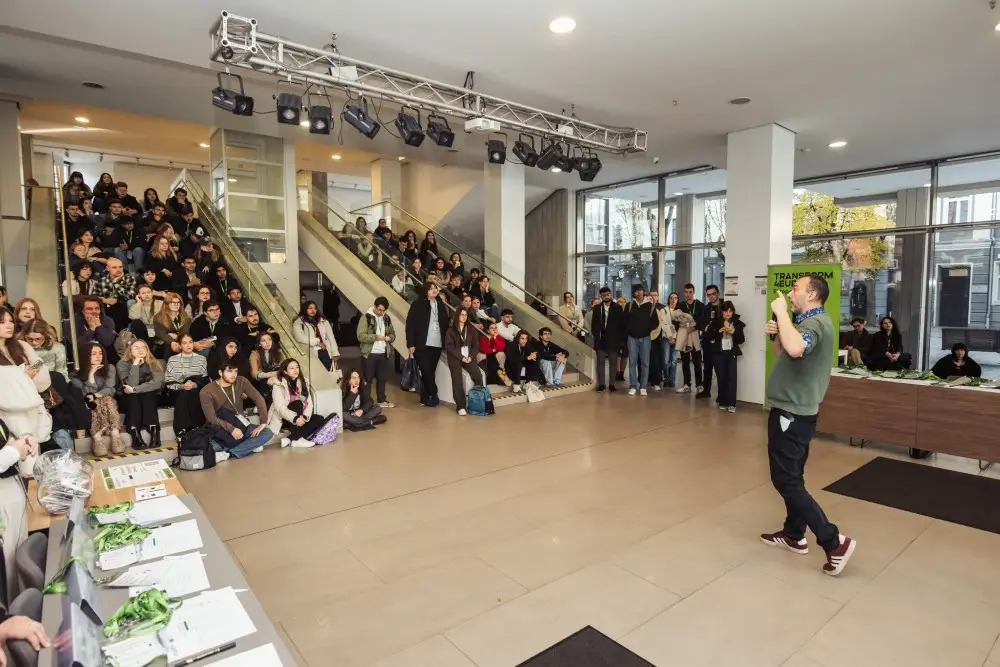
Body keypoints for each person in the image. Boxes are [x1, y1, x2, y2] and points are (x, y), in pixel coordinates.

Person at [761, 274, 856, 576]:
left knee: (785, 480)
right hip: (793, 410)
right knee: (793, 477)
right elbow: (785, 353)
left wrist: (780, 314)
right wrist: (779, 332)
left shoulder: (815, 324)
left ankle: (832, 541)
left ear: (812, 294)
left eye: (795, 289)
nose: (790, 294)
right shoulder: (806, 323)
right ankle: (793, 534)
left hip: (791, 414)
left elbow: (796, 349)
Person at [0, 417, 41, 605]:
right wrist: (13, 451)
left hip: (14, 492)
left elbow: (6, 443)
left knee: (20, 558)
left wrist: (23, 444)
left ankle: (25, 605)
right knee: (7, 566)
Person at [199, 362, 274, 461]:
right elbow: (211, 418)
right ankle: (245, 447)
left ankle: (229, 453)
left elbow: (259, 399)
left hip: (242, 424)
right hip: (222, 427)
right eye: (229, 371)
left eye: (235, 371)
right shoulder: (206, 391)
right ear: (220, 373)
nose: (233, 374)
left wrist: (263, 422)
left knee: (267, 432)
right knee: (206, 449)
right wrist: (232, 429)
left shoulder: (241, 381)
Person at [0, 309, 52, 448]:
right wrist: (22, 376)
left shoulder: (21, 345)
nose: (9, 325)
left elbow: (39, 364)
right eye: (2, 322)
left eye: (10, 321)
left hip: (30, 406)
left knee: (32, 452)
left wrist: (26, 375)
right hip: (7, 410)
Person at [72, 343, 124, 455]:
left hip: (107, 401)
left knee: (106, 399)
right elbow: (85, 394)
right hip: (87, 404)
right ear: (85, 356)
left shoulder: (110, 368)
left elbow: (110, 389)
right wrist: (91, 375)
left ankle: (114, 437)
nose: (98, 356)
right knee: (97, 401)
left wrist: (95, 395)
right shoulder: (75, 375)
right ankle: (99, 439)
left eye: (100, 353)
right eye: (93, 354)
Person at [405, 281, 450, 407]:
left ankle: (425, 398)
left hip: (437, 344)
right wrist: (410, 344)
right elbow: (410, 325)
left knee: (429, 372)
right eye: (430, 288)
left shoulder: (440, 305)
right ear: (426, 291)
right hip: (421, 344)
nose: (434, 290)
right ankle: (434, 393)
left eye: (435, 288)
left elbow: (445, 325)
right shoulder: (418, 304)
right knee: (426, 370)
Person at [267, 359, 326, 448]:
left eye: (297, 367)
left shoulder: (303, 382)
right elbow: (279, 408)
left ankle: (291, 439)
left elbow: (309, 403)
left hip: (299, 416)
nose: (295, 370)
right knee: (298, 403)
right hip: (284, 418)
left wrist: (304, 416)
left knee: (319, 419)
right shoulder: (278, 384)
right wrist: (295, 418)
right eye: (291, 368)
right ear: (285, 371)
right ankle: (297, 439)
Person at [116, 340, 164, 450]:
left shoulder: (154, 362)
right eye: (136, 347)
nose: (140, 349)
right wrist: (135, 364)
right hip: (128, 399)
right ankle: (136, 432)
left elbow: (157, 383)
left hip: (151, 396)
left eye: (144, 347)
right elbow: (130, 384)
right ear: (130, 350)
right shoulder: (122, 364)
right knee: (135, 396)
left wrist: (135, 389)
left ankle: (153, 430)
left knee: (146, 393)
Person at [704, 300, 745, 412]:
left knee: (732, 378)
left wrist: (734, 332)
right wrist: (718, 331)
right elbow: (707, 336)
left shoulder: (737, 323)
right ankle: (723, 401)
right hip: (718, 353)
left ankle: (732, 404)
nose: (728, 313)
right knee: (721, 377)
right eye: (725, 311)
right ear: (721, 312)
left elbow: (741, 340)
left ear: (733, 312)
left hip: (731, 353)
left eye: (730, 311)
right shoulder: (716, 322)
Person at [164, 333, 208, 436]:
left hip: (195, 388)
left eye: (190, 342)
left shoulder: (201, 359)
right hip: (177, 389)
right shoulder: (173, 359)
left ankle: (191, 428)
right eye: (184, 343)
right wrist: (182, 386)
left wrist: (195, 384)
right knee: (184, 394)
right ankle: (186, 428)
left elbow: (204, 378)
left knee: (193, 392)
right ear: (179, 345)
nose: (188, 345)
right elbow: (169, 380)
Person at [444, 308, 484, 416]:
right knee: (457, 379)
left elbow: (476, 346)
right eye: (462, 314)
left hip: (468, 357)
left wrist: (471, 356)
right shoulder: (451, 331)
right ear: (457, 316)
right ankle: (461, 406)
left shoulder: (471, 330)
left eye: (465, 315)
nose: (464, 316)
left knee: (477, 374)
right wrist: (461, 357)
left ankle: (479, 400)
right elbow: (449, 347)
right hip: (455, 358)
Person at [357, 297, 396, 408]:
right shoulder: (365, 318)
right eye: (379, 309)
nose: (381, 312)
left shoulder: (386, 318)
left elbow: (392, 333)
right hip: (369, 353)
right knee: (367, 379)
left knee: (382, 378)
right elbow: (360, 336)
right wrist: (375, 337)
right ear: (374, 306)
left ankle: (381, 400)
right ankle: (366, 402)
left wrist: (390, 337)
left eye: (383, 310)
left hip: (383, 352)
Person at [623, 284, 658, 396]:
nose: (639, 293)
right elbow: (624, 321)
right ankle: (633, 386)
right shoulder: (629, 305)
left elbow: (655, 322)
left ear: (644, 292)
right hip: (632, 338)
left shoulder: (650, 305)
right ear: (634, 293)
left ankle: (643, 386)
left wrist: (647, 329)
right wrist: (630, 330)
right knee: (632, 362)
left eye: (641, 291)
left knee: (645, 363)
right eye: (636, 291)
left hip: (645, 338)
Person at [591, 286, 625, 392]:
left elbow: (621, 325)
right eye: (604, 295)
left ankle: (612, 384)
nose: (606, 296)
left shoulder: (617, 307)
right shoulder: (597, 308)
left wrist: (620, 341)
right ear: (601, 296)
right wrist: (596, 335)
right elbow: (594, 325)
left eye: (608, 294)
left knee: (613, 363)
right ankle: (601, 384)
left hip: (613, 340)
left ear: (611, 294)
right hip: (600, 340)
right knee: (600, 362)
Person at [294, 301, 340, 371]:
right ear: (305, 309)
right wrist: (317, 342)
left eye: (315, 308)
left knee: (329, 373)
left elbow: (331, 337)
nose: (313, 310)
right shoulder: (299, 322)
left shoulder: (323, 321)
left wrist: (335, 352)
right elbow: (300, 337)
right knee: (316, 374)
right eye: (310, 308)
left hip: (325, 351)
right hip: (310, 352)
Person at [94, 257, 137, 332]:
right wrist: (105, 300)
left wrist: (115, 283)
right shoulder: (102, 281)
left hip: (124, 309)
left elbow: (131, 295)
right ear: (107, 268)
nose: (118, 270)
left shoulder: (129, 279)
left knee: (121, 303)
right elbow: (94, 296)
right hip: (107, 309)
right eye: (114, 267)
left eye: (120, 267)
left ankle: (121, 332)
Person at [676, 283, 705, 394]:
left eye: (690, 292)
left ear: (693, 292)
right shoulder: (680, 305)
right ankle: (686, 384)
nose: (688, 294)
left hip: (695, 334)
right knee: (685, 361)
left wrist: (695, 327)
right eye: (686, 292)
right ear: (684, 293)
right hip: (684, 335)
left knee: (697, 361)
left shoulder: (700, 305)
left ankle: (699, 384)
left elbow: (703, 320)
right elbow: (676, 320)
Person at [696, 285, 723, 399]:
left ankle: (721, 395)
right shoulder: (705, 308)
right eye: (709, 295)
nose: (711, 297)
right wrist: (704, 328)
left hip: (719, 342)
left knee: (719, 370)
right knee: (707, 368)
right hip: (707, 342)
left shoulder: (724, 307)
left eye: (713, 294)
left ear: (718, 293)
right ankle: (706, 391)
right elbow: (700, 322)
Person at [153, 292, 193, 359]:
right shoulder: (158, 317)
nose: (176, 305)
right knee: (170, 347)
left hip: (180, 341)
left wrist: (174, 337)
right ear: (166, 304)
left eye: (178, 302)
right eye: (173, 302)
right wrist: (172, 341)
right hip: (163, 343)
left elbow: (184, 332)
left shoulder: (185, 316)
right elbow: (161, 334)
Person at [249, 332, 284, 398]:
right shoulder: (254, 354)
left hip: (277, 377)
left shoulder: (278, 352)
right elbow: (254, 373)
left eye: (269, 339)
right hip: (262, 380)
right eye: (263, 341)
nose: (267, 342)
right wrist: (270, 374)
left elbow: (284, 366)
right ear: (259, 344)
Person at [479, 321, 510, 386]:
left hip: (493, 357)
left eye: (496, 328)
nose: (494, 330)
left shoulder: (500, 338)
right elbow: (485, 350)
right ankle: (500, 373)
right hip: (486, 356)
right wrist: (494, 350)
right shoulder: (483, 338)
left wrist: (495, 338)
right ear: (487, 330)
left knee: (500, 354)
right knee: (488, 356)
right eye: (492, 328)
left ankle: (500, 373)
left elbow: (500, 348)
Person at [663, 292, 681, 388]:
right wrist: (670, 336)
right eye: (671, 298)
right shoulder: (664, 310)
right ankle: (666, 379)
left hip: (676, 338)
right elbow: (664, 324)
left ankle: (672, 380)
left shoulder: (680, 312)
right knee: (666, 360)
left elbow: (681, 326)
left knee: (673, 360)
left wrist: (675, 337)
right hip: (666, 338)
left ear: (678, 299)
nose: (673, 300)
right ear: (669, 299)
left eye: (675, 298)